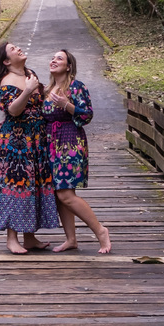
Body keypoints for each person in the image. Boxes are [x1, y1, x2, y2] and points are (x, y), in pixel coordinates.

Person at [0, 42, 59, 254]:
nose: (19, 49)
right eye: (13, 49)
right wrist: (29, 90)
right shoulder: (7, 80)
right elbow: (13, 110)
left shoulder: (29, 73)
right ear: (6, 61)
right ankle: (11, 239)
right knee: (16, 184)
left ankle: (29, 237)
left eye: (17, 47)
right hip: (16, 142)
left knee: (33, 184)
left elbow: (34, 104)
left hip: (36, 138)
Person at [43, 49, 112, 254]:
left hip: (70, 142)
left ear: (69, 66)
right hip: (50, 144)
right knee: (59, 193)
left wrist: (68, 106)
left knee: (65, 193)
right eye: (53, 58)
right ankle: (71, 239)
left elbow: (88, 115)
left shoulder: (76, 87)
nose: (54, 60)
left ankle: (100, 231)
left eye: (59, 58)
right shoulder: (48, 89)